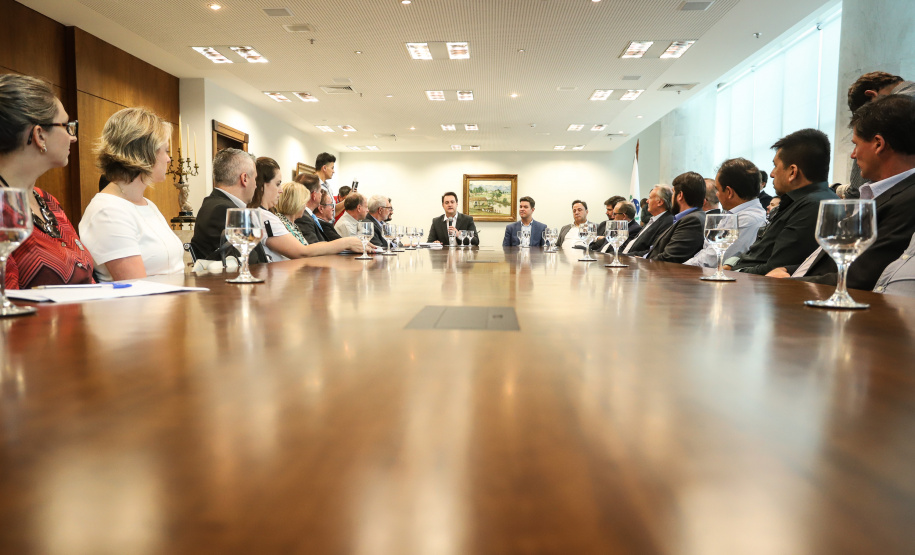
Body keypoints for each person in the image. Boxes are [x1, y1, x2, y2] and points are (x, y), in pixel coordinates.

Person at [767, 95, 915, 290]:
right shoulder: (880, 194)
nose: (853, 154)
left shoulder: (908, 199)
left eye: (856, 144)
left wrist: (788, 283)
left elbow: (860, 278)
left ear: (878, 144)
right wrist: (788, 270)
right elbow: (835, 262)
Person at [0, 74, 95, 289]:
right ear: (39, 135)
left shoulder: (46, 200)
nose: (73, 137)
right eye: (66, 126)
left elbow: (88, 279)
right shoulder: (2, 207)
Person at [79, 107, 185, 280]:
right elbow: (137, 289)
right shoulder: (108, 212)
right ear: (145, 153)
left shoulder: (147, 204)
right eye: (165, 150)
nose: (168, 159)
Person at [724, 129, 838, 274]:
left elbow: (775, 269)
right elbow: (760, 252)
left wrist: (733, 272)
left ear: (792, 172)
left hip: (758, 287)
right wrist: (731, 264)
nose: (772, 174)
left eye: (775, 166)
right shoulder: (798, 201)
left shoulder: (813, 206)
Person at [252, 163, 363, 260]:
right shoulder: (267, 217)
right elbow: (302, 252)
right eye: (277, 184)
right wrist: (346, 243)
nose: (280, 190)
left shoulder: (276, 218)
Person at [685, 158, 767, 268]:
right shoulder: (736, 214)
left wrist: (677, 269)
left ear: (729, 192)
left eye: (718, 190)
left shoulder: (746, 219)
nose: (717, 195)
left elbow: (713, 261)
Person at [190, 148, 268, 264]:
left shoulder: (215, 204)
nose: (256, 185)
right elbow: (250, 263)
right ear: (244, 179)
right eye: (255, 179)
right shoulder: (223, 210)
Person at [847, 72, 915, 191]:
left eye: (866, 114)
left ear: (871, 95)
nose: (854, 155)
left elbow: (856, 190)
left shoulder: (895, 110)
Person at [645, 172, 706, 263]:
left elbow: (669, 258)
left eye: (673, 193)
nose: (671, 198)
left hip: (660, 273)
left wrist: (642, 263)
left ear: (680, 195)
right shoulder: (691, 217)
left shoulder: (692, 220)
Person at [623, 185, 674, 256]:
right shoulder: (654, 219)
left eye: (650, 198)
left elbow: (653, 251)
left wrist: (623, 256)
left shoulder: (668, 221)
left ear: (659, 202)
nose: (647, 201)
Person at [293, 173, 331, 244]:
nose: (321, 194)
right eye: (320, 191)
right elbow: (313, 246)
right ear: (314, 195)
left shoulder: (309, 216)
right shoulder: (303, 217)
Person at [315, 152, 345, 217]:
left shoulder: (327, 186)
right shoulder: (314, 185)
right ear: (324, 168)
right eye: (332, 168)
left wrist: (348, 200)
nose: (333, 171)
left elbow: (333, 211)